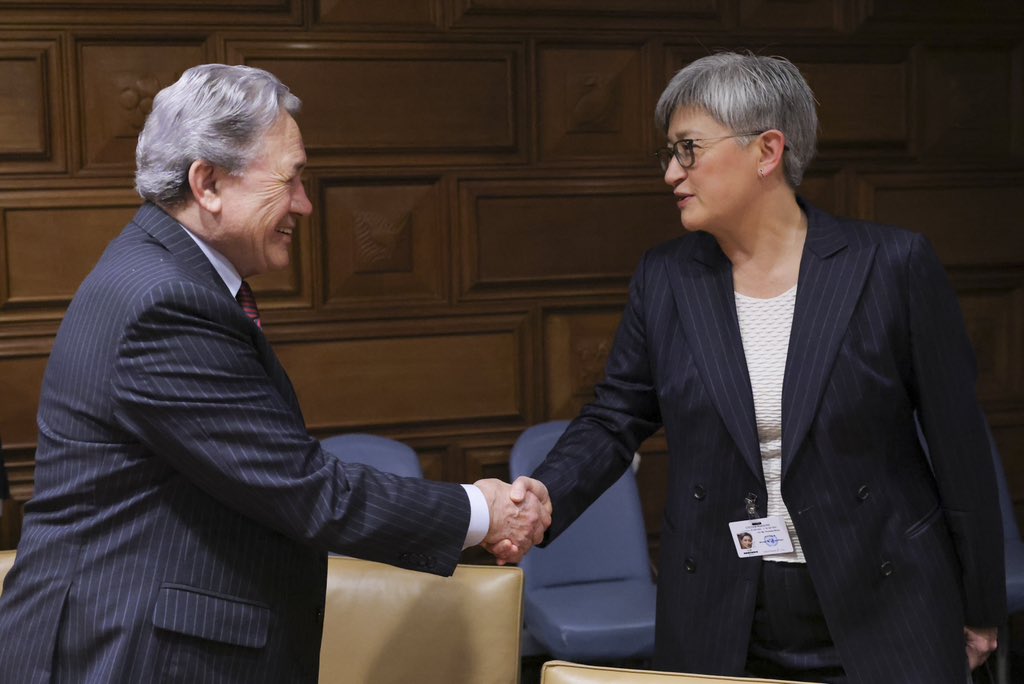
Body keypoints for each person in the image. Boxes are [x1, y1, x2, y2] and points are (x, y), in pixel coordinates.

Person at [0, 64, 550, 683]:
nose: (305, 205)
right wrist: (482, 512)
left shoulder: (159, 272)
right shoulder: (165, 302)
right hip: (122, 653)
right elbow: (303, 488)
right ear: (207, 182)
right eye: (290, 180)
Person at [527, 51, 1004, 683]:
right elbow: (616, 416)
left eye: (688, 149)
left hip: (885, 598)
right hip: (723, 607)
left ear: (766, 151)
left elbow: (958, 444)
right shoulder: (668, 277)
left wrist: (980, 606)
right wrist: (540, 496)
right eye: (670, 154)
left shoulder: (890, 265)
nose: (672, 173)